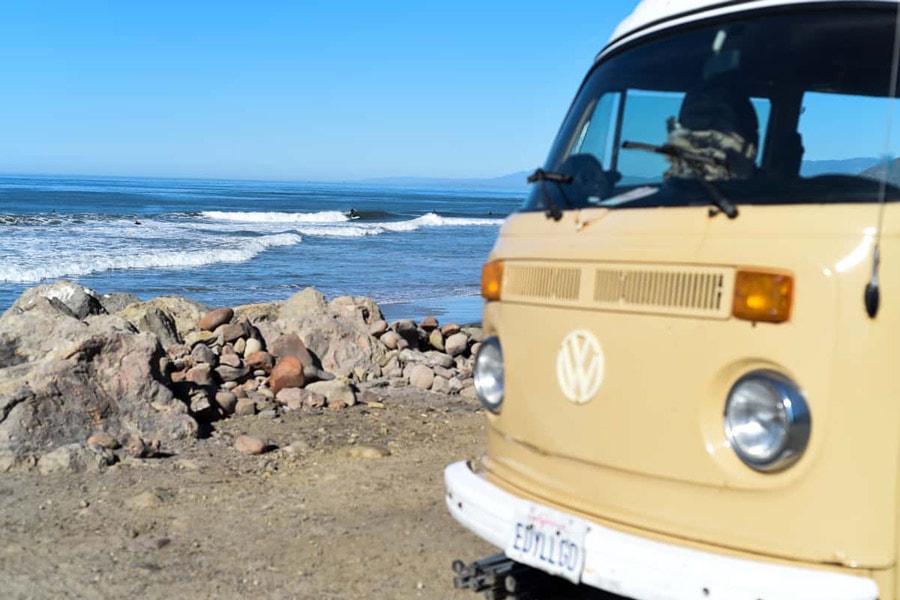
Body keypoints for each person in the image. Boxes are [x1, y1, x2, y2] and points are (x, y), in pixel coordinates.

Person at [664, 76, 759, 181]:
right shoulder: (669, 192)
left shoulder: (775, 194)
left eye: (713, 140)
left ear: (751, 147)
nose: (702, 152)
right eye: (693, 139)